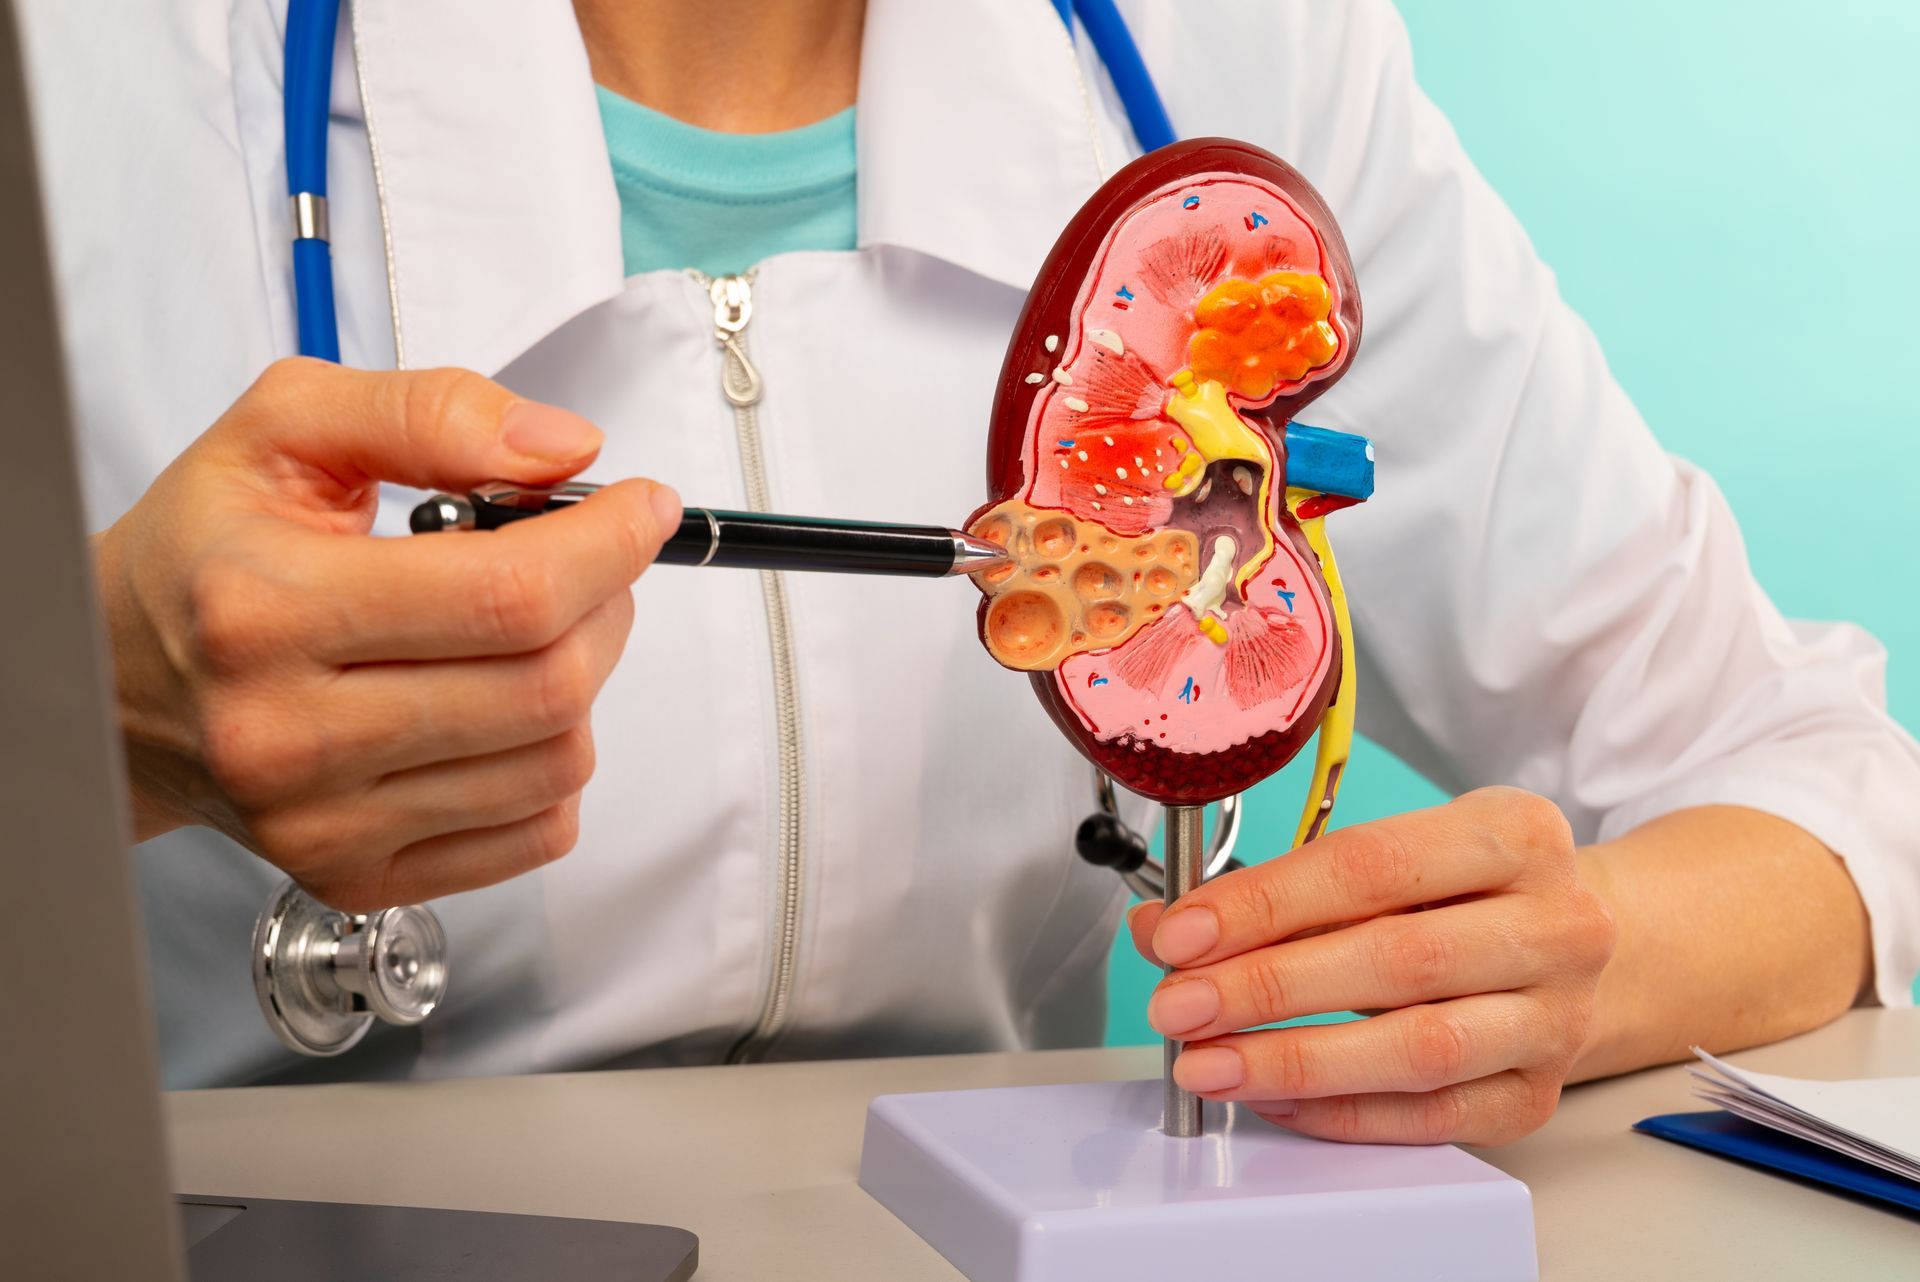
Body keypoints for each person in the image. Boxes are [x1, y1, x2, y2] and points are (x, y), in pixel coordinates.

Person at [20, 0, 1917, 1143]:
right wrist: (88, 718)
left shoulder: (1215, 55)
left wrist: (1559, 974)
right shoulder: (88, 76)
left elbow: (1824, 790)